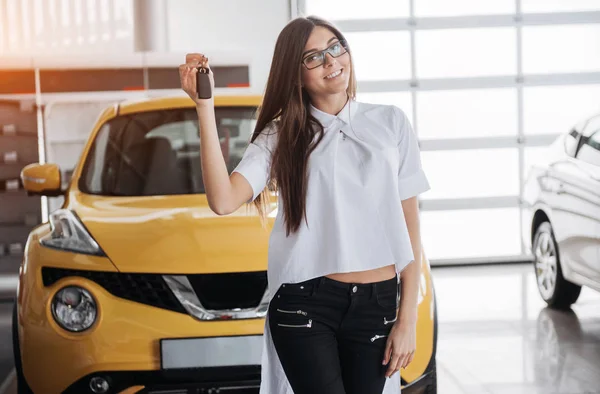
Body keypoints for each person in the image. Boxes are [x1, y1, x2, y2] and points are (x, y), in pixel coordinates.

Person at [179, 15, 430, 394]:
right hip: (305, 304)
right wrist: (204, 106)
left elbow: (409, 225)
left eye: (335, 48)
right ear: (294, 74)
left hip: (378, 301)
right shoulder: (280, 134)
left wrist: (407, 314)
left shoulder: (391, 122)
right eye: (313, 57)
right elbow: (223, 199)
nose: (331, 61)